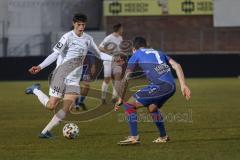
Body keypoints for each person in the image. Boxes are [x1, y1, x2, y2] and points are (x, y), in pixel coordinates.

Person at [25, 13, 104, 138]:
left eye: (83, 25)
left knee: (66, 108)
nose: (81, 27)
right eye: (79, 25)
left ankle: (44, 132)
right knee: (52, 106)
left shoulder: (88, 39)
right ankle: (35, 90)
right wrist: (40, 66)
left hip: (74, 80)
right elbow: (55, 54)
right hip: (60, 77)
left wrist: (114, 58)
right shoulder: (67, 37)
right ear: (74, 24)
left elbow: (100, 54)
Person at [114, 37, 191, 145]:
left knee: (128, 104)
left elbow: (126, 78)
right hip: (171, 86)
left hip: (160, 86)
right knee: (152, 108)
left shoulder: (136, 54)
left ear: (133, 48)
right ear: (145, 45)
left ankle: (134, 137)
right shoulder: (158, 52)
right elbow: (177, 65)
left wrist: (121, 98)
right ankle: (163, 136)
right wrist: (183, 85)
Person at [99, 23, 124, 104]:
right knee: (107, 79)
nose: (122, 30)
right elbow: (100, 47)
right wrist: (109, 51)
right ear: (119, 29)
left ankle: (114, 97)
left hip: (116, 60)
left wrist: (120, 56)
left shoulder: (120, 38)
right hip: (108, 60)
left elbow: (120, 50)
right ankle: (103, 98)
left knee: (118, 77)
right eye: (122, 29)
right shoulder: (109, 38)